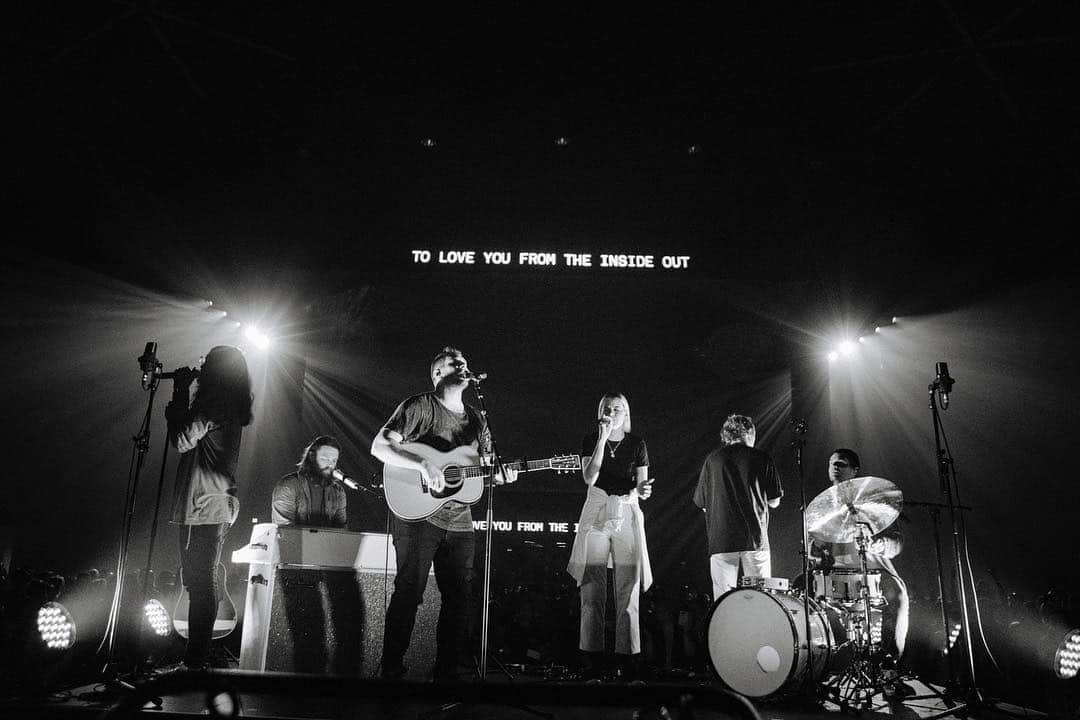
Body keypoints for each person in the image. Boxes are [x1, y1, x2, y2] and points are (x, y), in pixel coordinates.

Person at [371, 347, 516, 680]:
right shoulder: (419, 406)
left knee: (460, 598)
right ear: (437, 374)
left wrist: (499, 474)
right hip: (419, 514)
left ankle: (446, 674)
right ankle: (391, 670)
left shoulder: (478, 419)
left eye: (464, 361)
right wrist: (421, 464)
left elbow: (486, 467)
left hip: (460, 519)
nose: (463, 364)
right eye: (454, 363)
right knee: (410, 591)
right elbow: (380, 446)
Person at [165, 345, 253, 670]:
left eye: (206, 361)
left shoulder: (216, 404)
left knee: (200, 581)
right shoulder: (227, 404)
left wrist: (178, 395)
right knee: (202, 579)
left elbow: (182, 439)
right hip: (213, 501)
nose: (200, 364)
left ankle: (194, 661)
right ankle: (196, 658)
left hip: (205, 502)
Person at [566, 393, 654, 682]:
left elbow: (643, 484)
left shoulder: (637, 443)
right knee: (592, 589)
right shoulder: (591, 439)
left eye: (617, 409)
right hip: (596, 511)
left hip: (626, 511)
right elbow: (589, 477)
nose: (612, 412)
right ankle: (592, 664)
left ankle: (629, 664)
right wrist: (603, 440)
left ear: (625, 413)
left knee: (627, 589)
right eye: (607, 408)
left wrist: (643, 491)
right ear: (600, 412)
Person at [810, 449, 910, 681]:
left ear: (855, 471)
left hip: (872, 571)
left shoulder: (873, 502)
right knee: (800, 590)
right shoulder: (821, 508)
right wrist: (817, 552)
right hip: (834, 572)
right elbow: (813, 550)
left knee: (897, 593)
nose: (835, 467)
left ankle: (889, 664)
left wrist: (879, 543)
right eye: (832, 463)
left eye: (842, 464)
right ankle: (817, 664)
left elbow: (897, 543)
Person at [693, 414, 782, 601]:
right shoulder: (761, 457)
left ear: (726, 436)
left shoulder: (712, 460)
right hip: (754, 539)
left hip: (721, 540)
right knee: (760, 599)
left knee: (723, 603)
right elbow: (774, 501)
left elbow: (702, 504)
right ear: (750, 433)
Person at [272, 435, 347, 528]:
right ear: (311, 456)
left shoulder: (338, 492)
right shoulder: (288, 485)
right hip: (296, 542)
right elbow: (285, 532)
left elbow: (341, 531)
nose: (330, 465)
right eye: (325, 459)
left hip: (326, 542)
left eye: (334, 461)